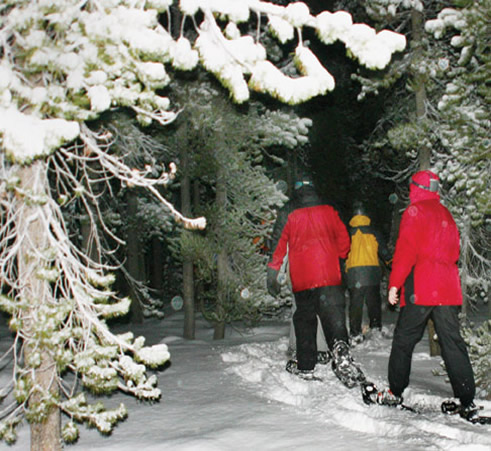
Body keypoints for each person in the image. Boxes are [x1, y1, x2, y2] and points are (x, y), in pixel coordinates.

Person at [376, 170, 477, 420]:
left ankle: (395, 391)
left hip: (423, 288)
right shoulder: (445, 213)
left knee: (403, 340)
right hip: (447, 288)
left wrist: (394, 285)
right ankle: (467, 398)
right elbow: (454, 249)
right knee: (452, 343)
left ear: (416, 188)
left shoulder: (415, 212)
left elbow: (406, 252)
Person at [266, 174, 364, 386]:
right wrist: (337, 256)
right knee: (334, 317)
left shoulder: (288, 211)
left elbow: (278, 245)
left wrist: (272, 274)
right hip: (329, 275)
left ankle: (306, 366)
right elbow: (344, 240)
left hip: (303, 279)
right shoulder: (329, 208)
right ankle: (341, 352)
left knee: (305, 321)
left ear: (297, 188)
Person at [345, 201, 391, 344]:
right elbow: (384, 252)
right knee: (373, 302)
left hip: (354, 273)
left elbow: (341, 252)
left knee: (355, 305)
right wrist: (390, 262)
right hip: (371, 272)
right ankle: (375, 327)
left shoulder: (347, 233)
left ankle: (355, 333)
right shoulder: (373, 232)